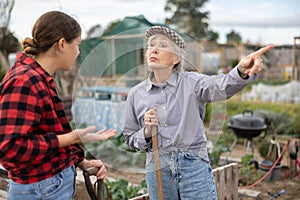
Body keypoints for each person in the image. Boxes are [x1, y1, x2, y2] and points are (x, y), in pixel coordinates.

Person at [122, 25, 273, 199]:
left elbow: (221, 86)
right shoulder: (136, 94)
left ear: (176, 59)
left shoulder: (192, 82)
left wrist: (240, 72)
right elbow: (130, 138)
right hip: (157, 169)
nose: (154, 49)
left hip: (192, 166)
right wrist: (147, 132)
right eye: (151, 45)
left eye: (163, 45)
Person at [0, 11, 116, 200]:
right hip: (41, 189)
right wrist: (70, 138)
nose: (78, 52)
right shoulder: (25, 81)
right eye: (77, 45)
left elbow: (44, 131)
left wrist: (81, 162)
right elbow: (10, 147)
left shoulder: (39, 77)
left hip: (47, 186)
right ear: (62, 44)